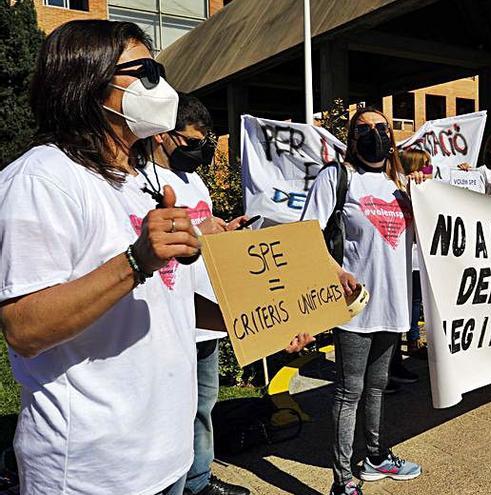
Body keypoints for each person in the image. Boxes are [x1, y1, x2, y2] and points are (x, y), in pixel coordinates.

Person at [0, 21, 313, 495]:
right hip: (92, 472)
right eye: (145, 72)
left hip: (166, 458)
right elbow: (24, 329)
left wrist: (261, 321)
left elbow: (172, 303)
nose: (160, 87)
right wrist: (136, 261)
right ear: (88, 79)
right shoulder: (41, 180)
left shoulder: (140, 181)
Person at [301, 107, 423, 495]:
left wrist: (424, 195)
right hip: (355, 306)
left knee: (377, 386)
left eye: (381, 127)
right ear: (351, 138)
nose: (373, 134)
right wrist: (336, 272)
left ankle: (374, 456)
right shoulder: (337, 179)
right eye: (363, 128)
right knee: (348, 390)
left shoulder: (400, 183)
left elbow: (424, 238)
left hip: (394, 302)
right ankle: (342, 479)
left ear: (392, 136)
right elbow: (305, 235)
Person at [137, 94, 252, 495]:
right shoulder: (143, 180)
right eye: (191, 141)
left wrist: (222, 228)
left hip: (205, 315)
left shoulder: (195, 179)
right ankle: (175, 482)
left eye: (205, 142)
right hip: (170, 319)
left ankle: (199, 480)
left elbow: (201, 228)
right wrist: (206, 235)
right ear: (164, 136)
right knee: (172, 412)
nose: (200, 150)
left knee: (203, 407)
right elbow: (160, 240)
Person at [398, 149, 429, 357]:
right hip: (411, 258)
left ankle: (413, 338)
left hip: (419, 257)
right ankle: (413, 340)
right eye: (426, 165)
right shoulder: (403, 189)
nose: (429, 170)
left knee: (417, 301)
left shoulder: (424, 187)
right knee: (414, 301)